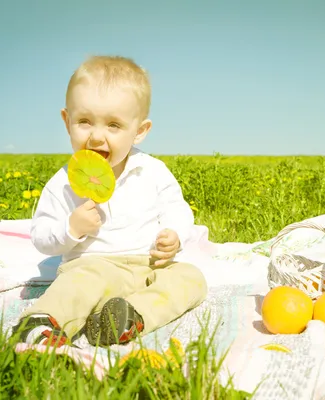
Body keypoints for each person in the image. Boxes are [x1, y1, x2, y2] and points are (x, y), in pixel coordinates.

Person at [12, 55, 208, 348]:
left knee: (192, 279)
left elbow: (176, 210)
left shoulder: (153, 171)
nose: (96, 136)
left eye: (113, 125)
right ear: (67, 122)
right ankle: (42, 322)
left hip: (149, 266)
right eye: (84, 121)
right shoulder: (63, 182)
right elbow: (41, 237)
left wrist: (175, 235)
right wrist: (71, 229)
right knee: (78, 284)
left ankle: (130, 317)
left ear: (139, 131)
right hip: (93, 265)